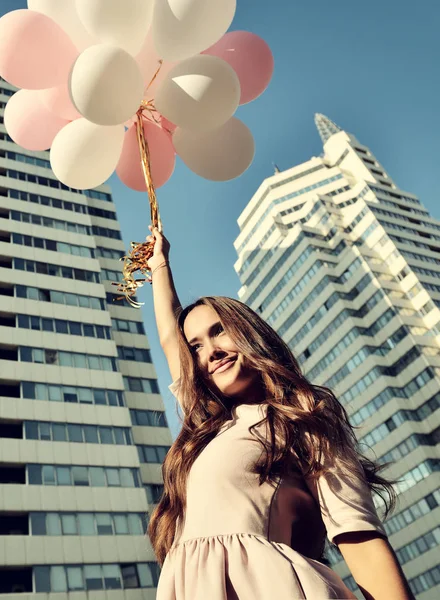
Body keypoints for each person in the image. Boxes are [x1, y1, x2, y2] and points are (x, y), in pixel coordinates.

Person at [144, 225, 416, 599]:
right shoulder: (207, 427)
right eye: (196, 348)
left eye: (220, 331)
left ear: (251, 333)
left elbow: (358, 534)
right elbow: (168, 338)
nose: (211, 352)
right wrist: (159, 265)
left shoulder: (301, 417)